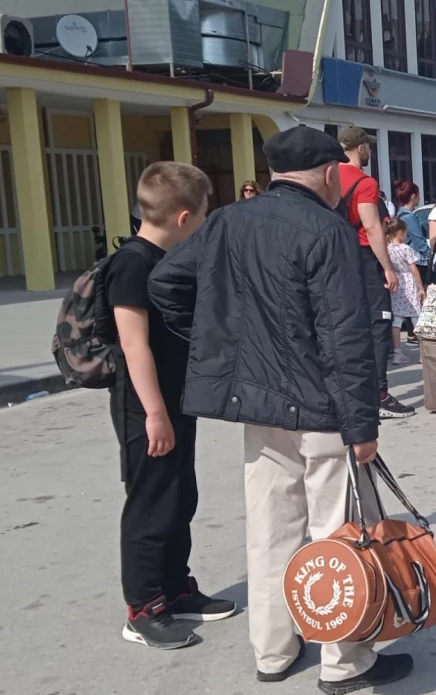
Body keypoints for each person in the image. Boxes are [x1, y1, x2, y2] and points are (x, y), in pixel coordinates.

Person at [148, 127, 414, 692]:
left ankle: (273, 651)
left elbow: (166, 281)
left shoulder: (225, 221)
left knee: (271, 530)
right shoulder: (327, 230)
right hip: (323, 408)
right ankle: (346, 660)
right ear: (327, 173)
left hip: (258, 404)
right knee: (338, 534)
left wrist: (219, 344)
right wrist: (362, 425)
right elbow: (345, 338)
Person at [108, 162, 231, 651]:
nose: (203, 224)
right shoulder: (133, 263)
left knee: (181, 496)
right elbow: (134, 346)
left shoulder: (168, 258)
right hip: (146, 407)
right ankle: (143, 608)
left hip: (175, 401)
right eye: (203, 215)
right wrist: (155, 413)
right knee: (150, 506)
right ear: (184, 218)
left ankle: (176, 589)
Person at [336, 127, 413, 419]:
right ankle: (379, 394)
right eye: (368, 146)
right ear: (359, 148)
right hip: (365, 260)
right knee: (379, 325)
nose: (370, 151)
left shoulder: (327, 178)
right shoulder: (364, 182)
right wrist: (388, 268)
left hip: (335, 259)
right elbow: (372, 227)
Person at [386, 218, 426, 365]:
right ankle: (423, 354)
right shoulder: (406, 249)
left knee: (396, 319)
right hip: (409, 282)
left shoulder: (387, 249)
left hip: (396, 282)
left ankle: (397, 352)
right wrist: (421, 287)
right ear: (400, 233)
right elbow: (414, 269)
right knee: (417, 318)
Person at [393, 181, 433, 285]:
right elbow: (419, 242)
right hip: (417, 262)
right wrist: (430, 256)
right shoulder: (410, 217)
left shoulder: (399, 215)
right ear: (413, 196)